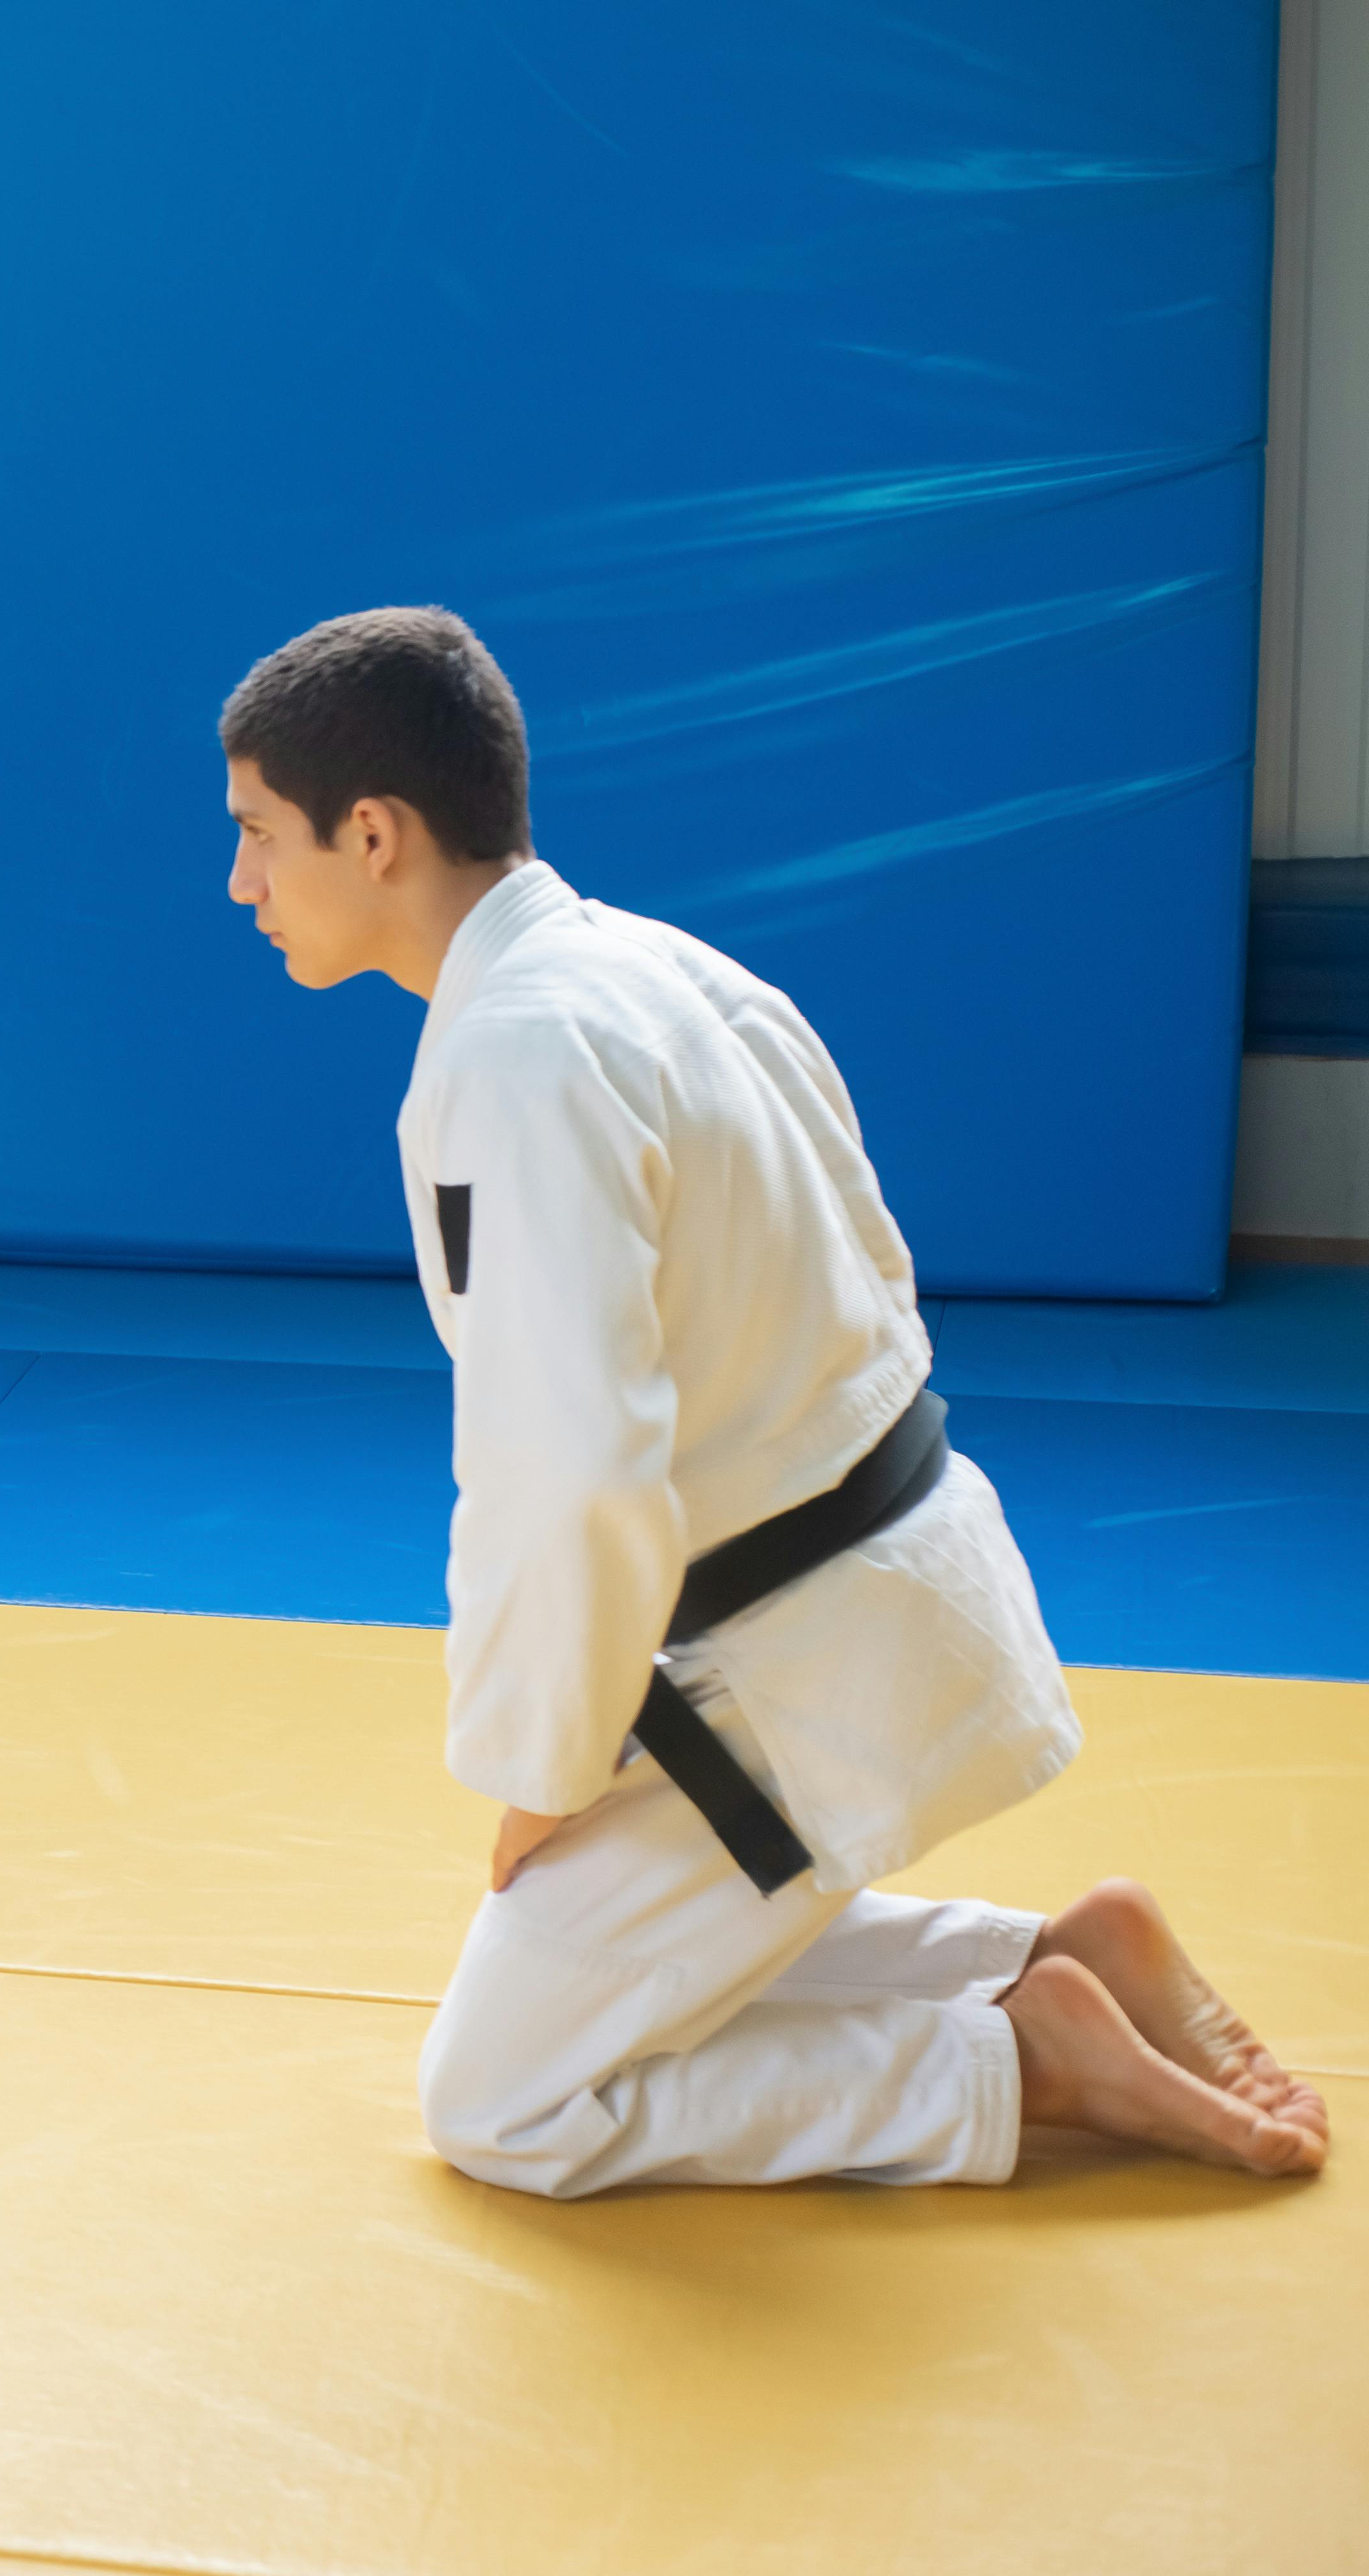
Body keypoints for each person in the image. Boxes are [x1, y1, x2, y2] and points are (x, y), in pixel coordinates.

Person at [220, 606, 1327, 2193]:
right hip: (889, 1590)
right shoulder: (660, 972)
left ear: (373, 834)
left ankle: (1019, 2055)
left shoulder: (515, 1061)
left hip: (785, 1672)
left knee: (501, 2097)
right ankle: (1054, 1953)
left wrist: (547, 1767)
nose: (243, 882)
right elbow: (866, 1276)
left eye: (260, 835)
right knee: (614, 1983)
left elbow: (572, 1466)